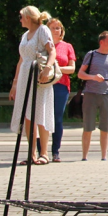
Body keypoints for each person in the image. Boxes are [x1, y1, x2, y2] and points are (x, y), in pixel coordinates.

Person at [9, 6, 56, 166]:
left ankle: (44, 153)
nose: (20, 20)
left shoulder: (42, 30)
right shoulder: (25, 35)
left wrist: (48, 68)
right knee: (27, 115)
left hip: (39, 75)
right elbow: (21, 59)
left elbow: (52, 51)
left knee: (40, 112)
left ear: (28, 17)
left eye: (21, 16)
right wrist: (15, 83)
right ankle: (31, 153)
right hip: (24, 75)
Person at [77, 31, 108, 161]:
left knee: (105, 126)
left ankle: (103, 157)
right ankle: (84, 157)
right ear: (101, 42)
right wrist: (93, 77)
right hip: (90, 94)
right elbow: (80, 74)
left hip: (107, 94)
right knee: (88, 126)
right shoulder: (91, 55)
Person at [45, 17, 76, 162]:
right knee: (42, 117)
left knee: (57, 118)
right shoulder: (42, 45)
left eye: (58, 28)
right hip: (44, 85)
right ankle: (41, 150)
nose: (56, 30)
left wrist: (57, 68)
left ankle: (55, 151)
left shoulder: (67, 46)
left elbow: (72, 68)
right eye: (52, 27)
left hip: (61, 85)